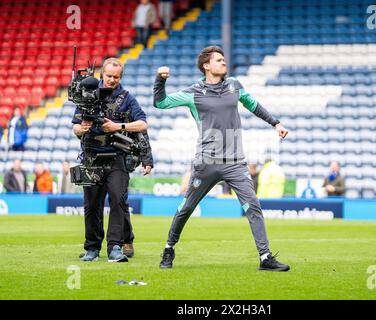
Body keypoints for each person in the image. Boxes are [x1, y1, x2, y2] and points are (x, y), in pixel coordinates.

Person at [153, 46, 290, 271]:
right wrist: (160, 80)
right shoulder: (194, 92)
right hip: (206, 162)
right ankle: (169, 248)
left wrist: (276, 123)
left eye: (224, 59)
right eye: (219, 60)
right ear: (206, 66)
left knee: (253, 205)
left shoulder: (234, 85)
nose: (224, 62)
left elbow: (254, 106)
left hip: (235, 162)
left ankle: (265, 257)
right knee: (187, 207)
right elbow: (160, 103)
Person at [72, 58, 152, 263]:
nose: (112, 80)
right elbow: (75, 127)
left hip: (117, 157)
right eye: (109, 76)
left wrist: (118, 127)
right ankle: (91, 248)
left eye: (116, 77)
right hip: (91, 156)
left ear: (120, 77)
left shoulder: (127, 98)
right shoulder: (86, 94)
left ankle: (115, 247)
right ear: (102, 75)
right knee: (91, 205)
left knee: (118, 200)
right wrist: (81, 130)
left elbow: (143, 124)